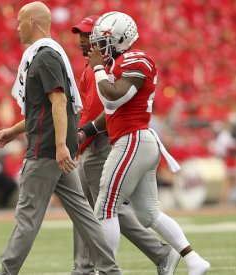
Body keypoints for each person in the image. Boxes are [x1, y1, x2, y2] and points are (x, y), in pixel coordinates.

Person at [0, 2, 121, 275]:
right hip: (56, 149)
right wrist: (15, 130)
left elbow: (59, 101)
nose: (17, 27)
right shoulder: (50, 55)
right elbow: (44, 108)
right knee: (84, 216)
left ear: (33, 23)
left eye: (20, 21)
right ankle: (110, 271)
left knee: (27, 217)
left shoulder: (44, 56)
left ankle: (6, 272)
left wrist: (61, 145)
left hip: (46, 150)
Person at [85, 11, 210, 275]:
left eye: (103, 41)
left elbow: (112, 99)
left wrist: (97, 68)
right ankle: (194, 260)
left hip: (133, 141)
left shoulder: (134, 60)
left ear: (120, 39)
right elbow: (111, 114)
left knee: (105, 207)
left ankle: (105, 271)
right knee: (149, 214)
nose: (98, 48)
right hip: (138, 141)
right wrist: (86, 131)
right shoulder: (120, 63)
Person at [71, 15, 180, 275]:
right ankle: (84, 267)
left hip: (101, 145)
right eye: (81, 35)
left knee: (107, 209)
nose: (83, 41)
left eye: (88, 35)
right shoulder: (91, 69)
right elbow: (87, 111)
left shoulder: (104, 70)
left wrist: (82, 136)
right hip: (90, 144)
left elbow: (106, 112)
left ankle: (160, 252)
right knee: (87, 211)